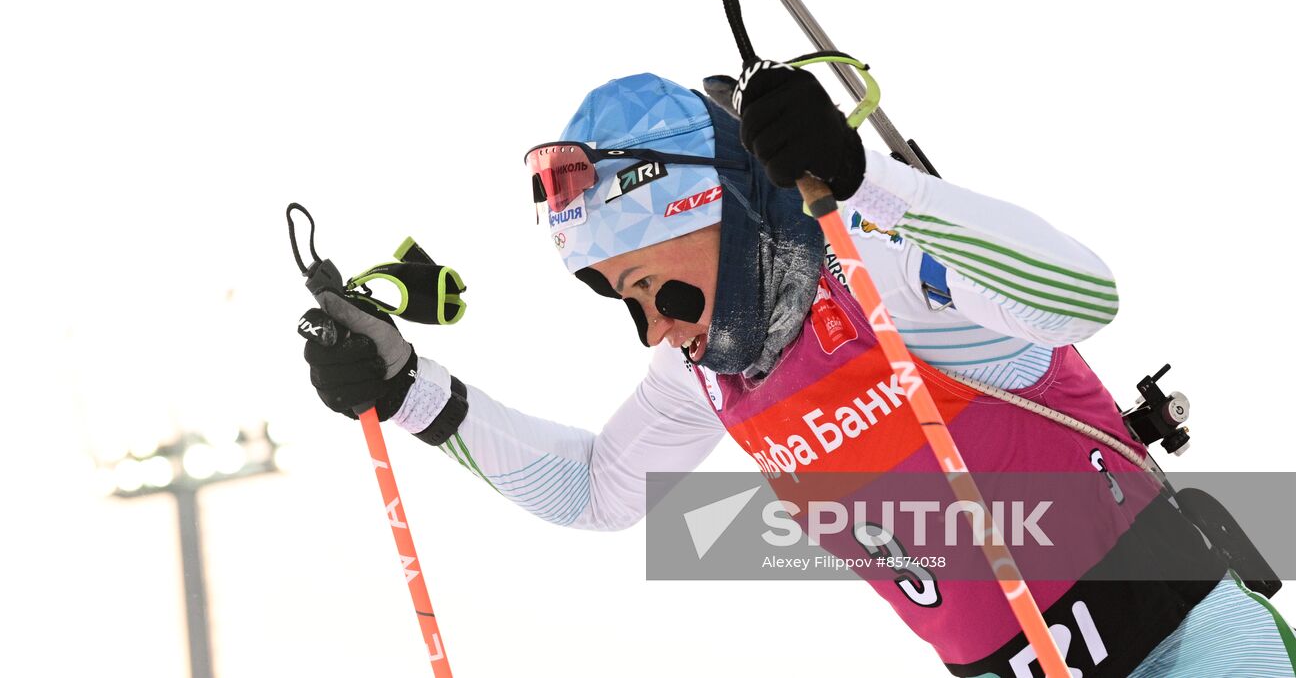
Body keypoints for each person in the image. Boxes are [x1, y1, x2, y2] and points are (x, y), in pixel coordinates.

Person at [298, 66, 1295, 676]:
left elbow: (1081, 299)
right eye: (619, 301)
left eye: (659, 288)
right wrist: (409, 392)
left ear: (721, 219)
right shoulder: (710, 377)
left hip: (1192, 646)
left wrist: (870, 180)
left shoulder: (884, 264)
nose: (653, 329)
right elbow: (596, 490)